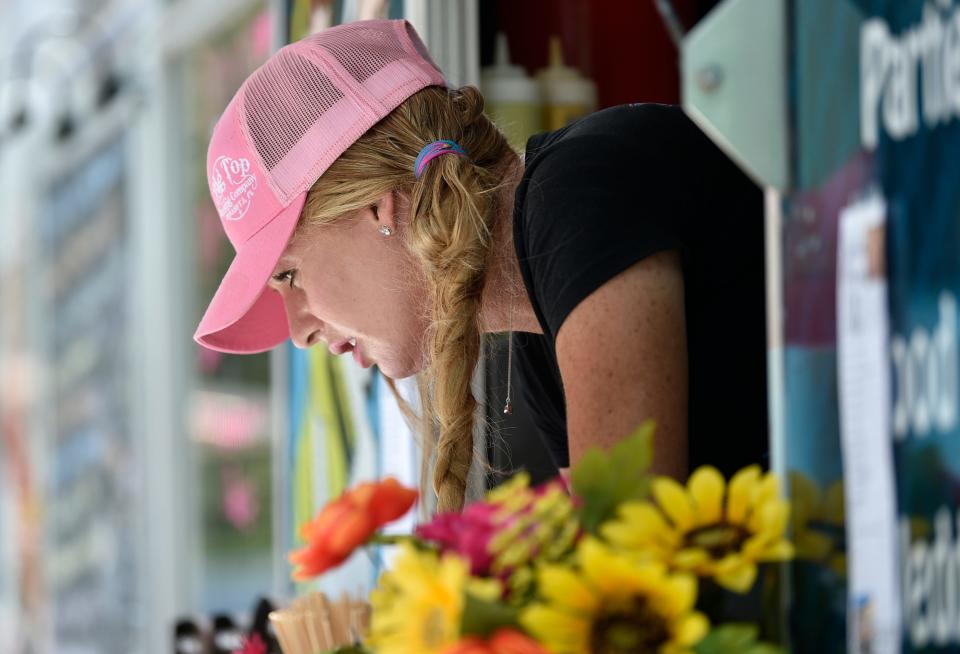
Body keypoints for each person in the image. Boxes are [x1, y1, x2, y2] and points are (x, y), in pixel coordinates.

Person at [194, 19, 768, 513]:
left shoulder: (577, 199)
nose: (298, 333)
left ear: (377, 207)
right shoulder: (542, 332)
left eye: (289, 276)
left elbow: (632, 579)